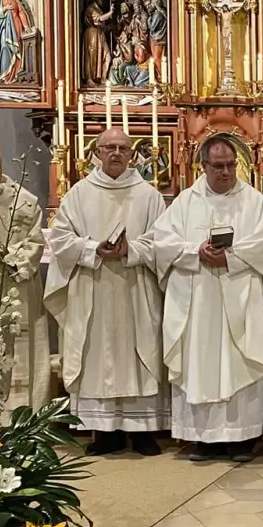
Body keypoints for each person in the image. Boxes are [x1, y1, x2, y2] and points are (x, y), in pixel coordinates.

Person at [153, 135, 263, 461]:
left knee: (238, 360)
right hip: (199, 299)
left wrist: (230, 257)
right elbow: (162, 243)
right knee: (200, 361)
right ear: (203, 166)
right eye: (218, 166)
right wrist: (196, 251)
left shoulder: (254, 201)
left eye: (230, 166)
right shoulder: (185, 201)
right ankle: (203, 439)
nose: (225, 172)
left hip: (239, 296)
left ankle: (241, 437)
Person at [45, 128, 169, 456]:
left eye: (123, 148)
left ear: (132, 154)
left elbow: (163, 240)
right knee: (95, 353)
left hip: (135, 287)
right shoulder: (79, 194)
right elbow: (59, 238)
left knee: (140, 349)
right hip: (93, 287)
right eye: (109, 147)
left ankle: (142, 430)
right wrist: (91, 249)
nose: (116, 153)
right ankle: (103, 431)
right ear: (96, 153)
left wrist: (132, 249)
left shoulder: (148, 195)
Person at [0, 143, 50, 410]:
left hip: (15, 294)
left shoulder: (23, 202)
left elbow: (35, 244)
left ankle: (18, 417)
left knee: (17, 354)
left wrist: (6, 256)